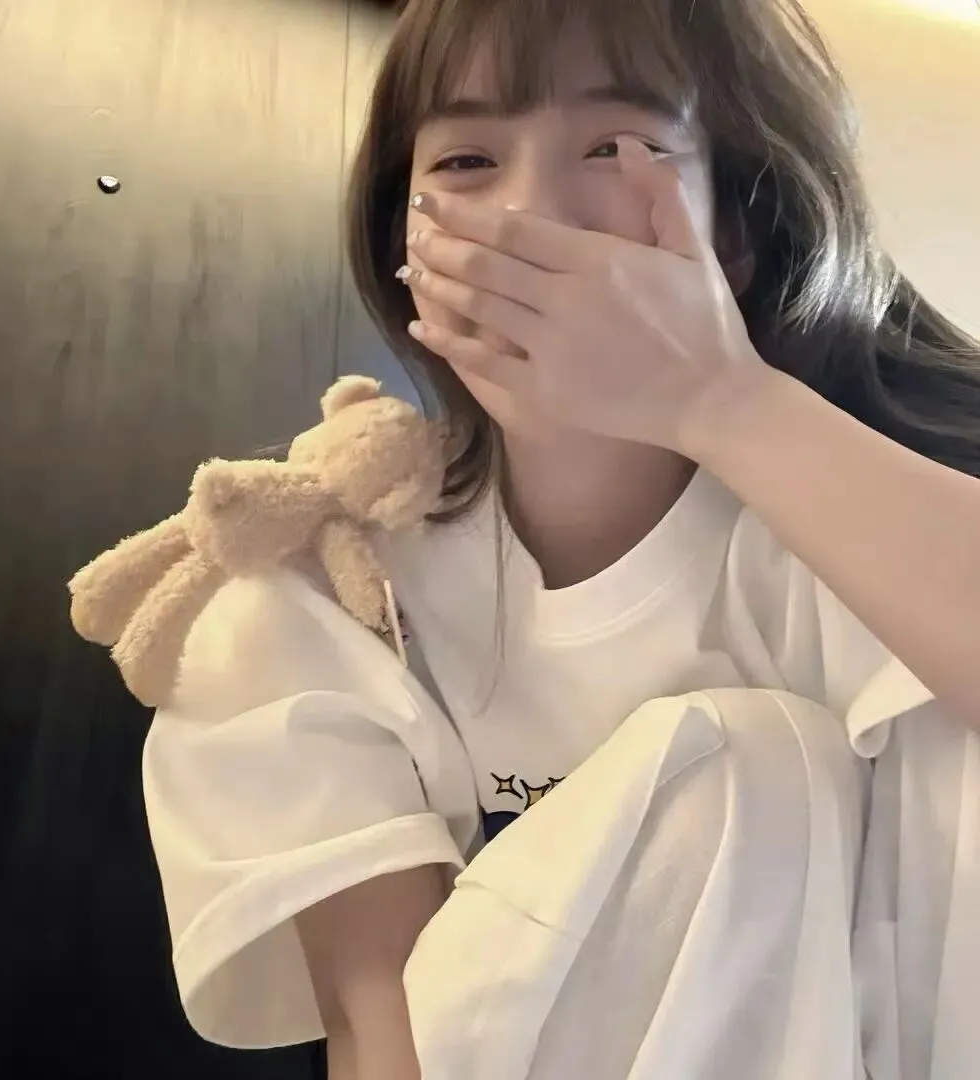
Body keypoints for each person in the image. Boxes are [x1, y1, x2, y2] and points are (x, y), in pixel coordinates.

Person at [139, 1, 980, 1077]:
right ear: (402, 245)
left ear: (731, 231)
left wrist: (721, 398)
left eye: (617, 146)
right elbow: (380, 1031)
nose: (530, 212)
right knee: (737, 769)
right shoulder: (323, 595)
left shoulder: (857, 543)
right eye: (468, 160)